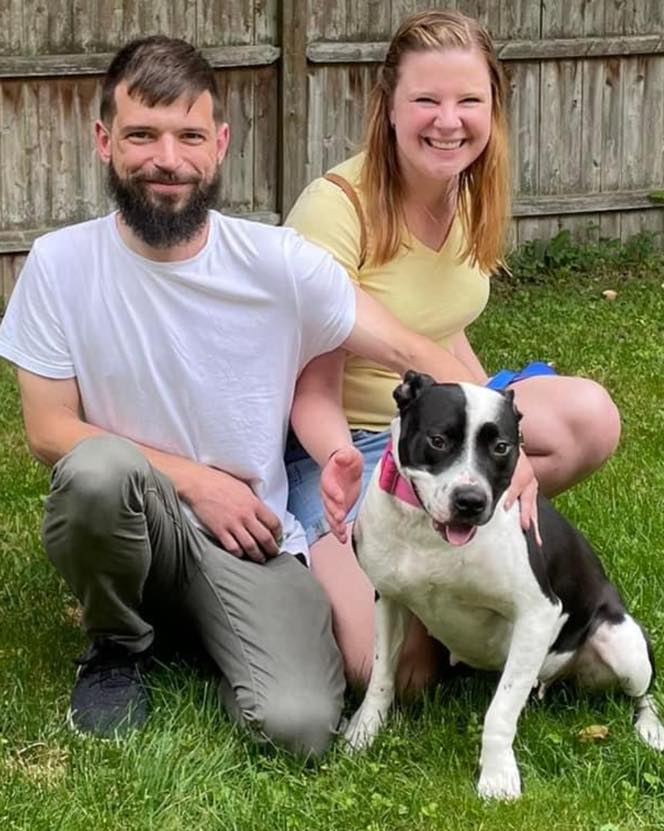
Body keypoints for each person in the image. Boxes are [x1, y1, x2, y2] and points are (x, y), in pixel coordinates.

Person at [0, 35, 508, 756]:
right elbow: (49, 430)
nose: (166, 159)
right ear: (103, 140)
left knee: (301, 723)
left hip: (252, 535)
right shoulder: (59, 263)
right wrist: (200, 482)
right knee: (96, 471)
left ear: (221, 144)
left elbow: (406, 347)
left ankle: (199, 627)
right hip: (138, 514)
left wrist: (499, 437)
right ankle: (116, 643)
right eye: (141, 134)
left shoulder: (277, 264)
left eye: (189, 136)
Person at [285, 10, 622, 688]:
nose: (449, 120)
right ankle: (363, 561)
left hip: (442, 431)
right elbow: (308, 390)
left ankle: (449, 530)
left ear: (493, 108)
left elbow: (445, 323)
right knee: (391, 673)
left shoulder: (468, 195)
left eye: (470, 100)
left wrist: (497, 432)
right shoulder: (336, 209)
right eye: (426, 100)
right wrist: (339, 461)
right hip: (339, 446)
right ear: (387, 106)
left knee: (589, 415)